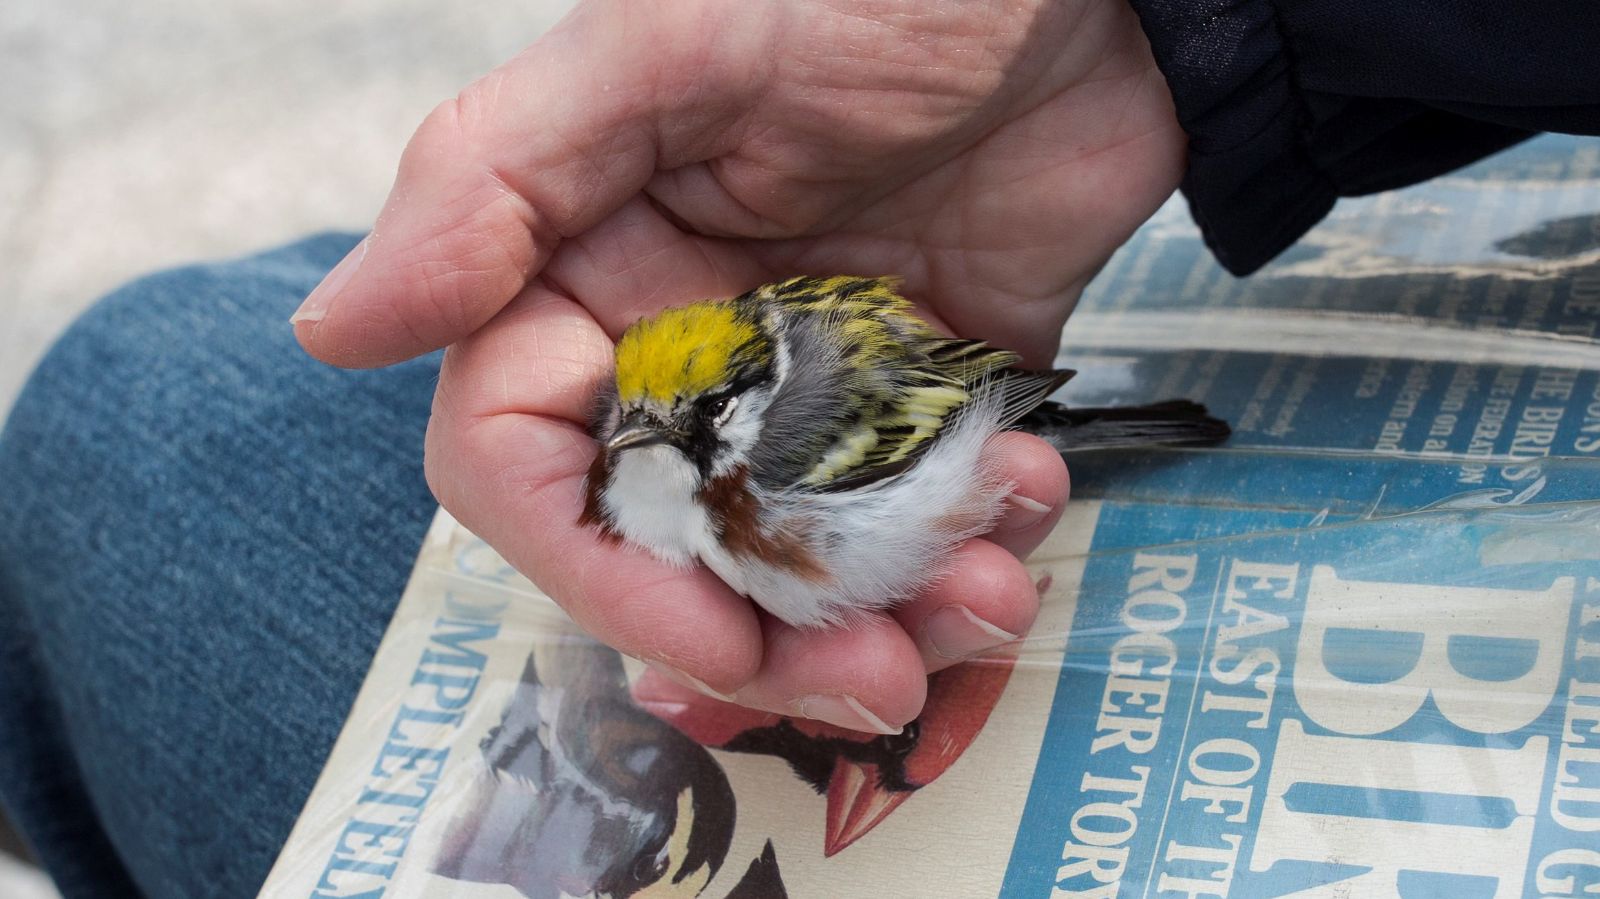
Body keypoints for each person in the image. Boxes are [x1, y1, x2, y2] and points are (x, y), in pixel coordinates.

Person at [1, 0, 1596, 895]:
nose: (640, 438)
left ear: (739, 420)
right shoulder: (697, 396)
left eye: (669, 428)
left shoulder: (804, 447)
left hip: (968, 424)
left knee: (132, 411)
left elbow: (963, 411)